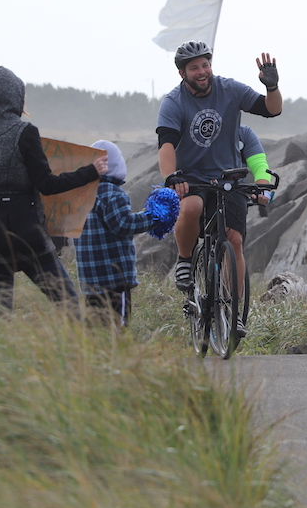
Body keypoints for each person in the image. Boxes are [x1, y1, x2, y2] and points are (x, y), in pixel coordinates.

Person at [156, 41, 282, 337]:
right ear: (182, 73)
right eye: (194, 67)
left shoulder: (230, 91)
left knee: (234, 241)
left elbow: (270, 111)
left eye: (205, 65)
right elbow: (166, 146)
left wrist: (272, 88)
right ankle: (185, 260)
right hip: (193, 179)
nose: (202, 72)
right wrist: (171, 177)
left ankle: (234, 313)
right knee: (191, 207)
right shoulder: (174, 102)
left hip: (229, 181)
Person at [0, 66, 108, 315]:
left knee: (0, 316)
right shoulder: (25, 132)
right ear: (15, 96)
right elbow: (47, 185)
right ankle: (76, 350)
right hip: (27, 233)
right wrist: (90, 172)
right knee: (68, 303)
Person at [75, 139, 153, 328]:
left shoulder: (80, 195)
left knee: (94, 324)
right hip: (114, 277)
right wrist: (152, 218)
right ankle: (118, 353)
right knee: (118, 323)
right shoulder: (114, 194)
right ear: (117, 166)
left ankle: (94, 355)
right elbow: (123, 224)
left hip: (90, 277)